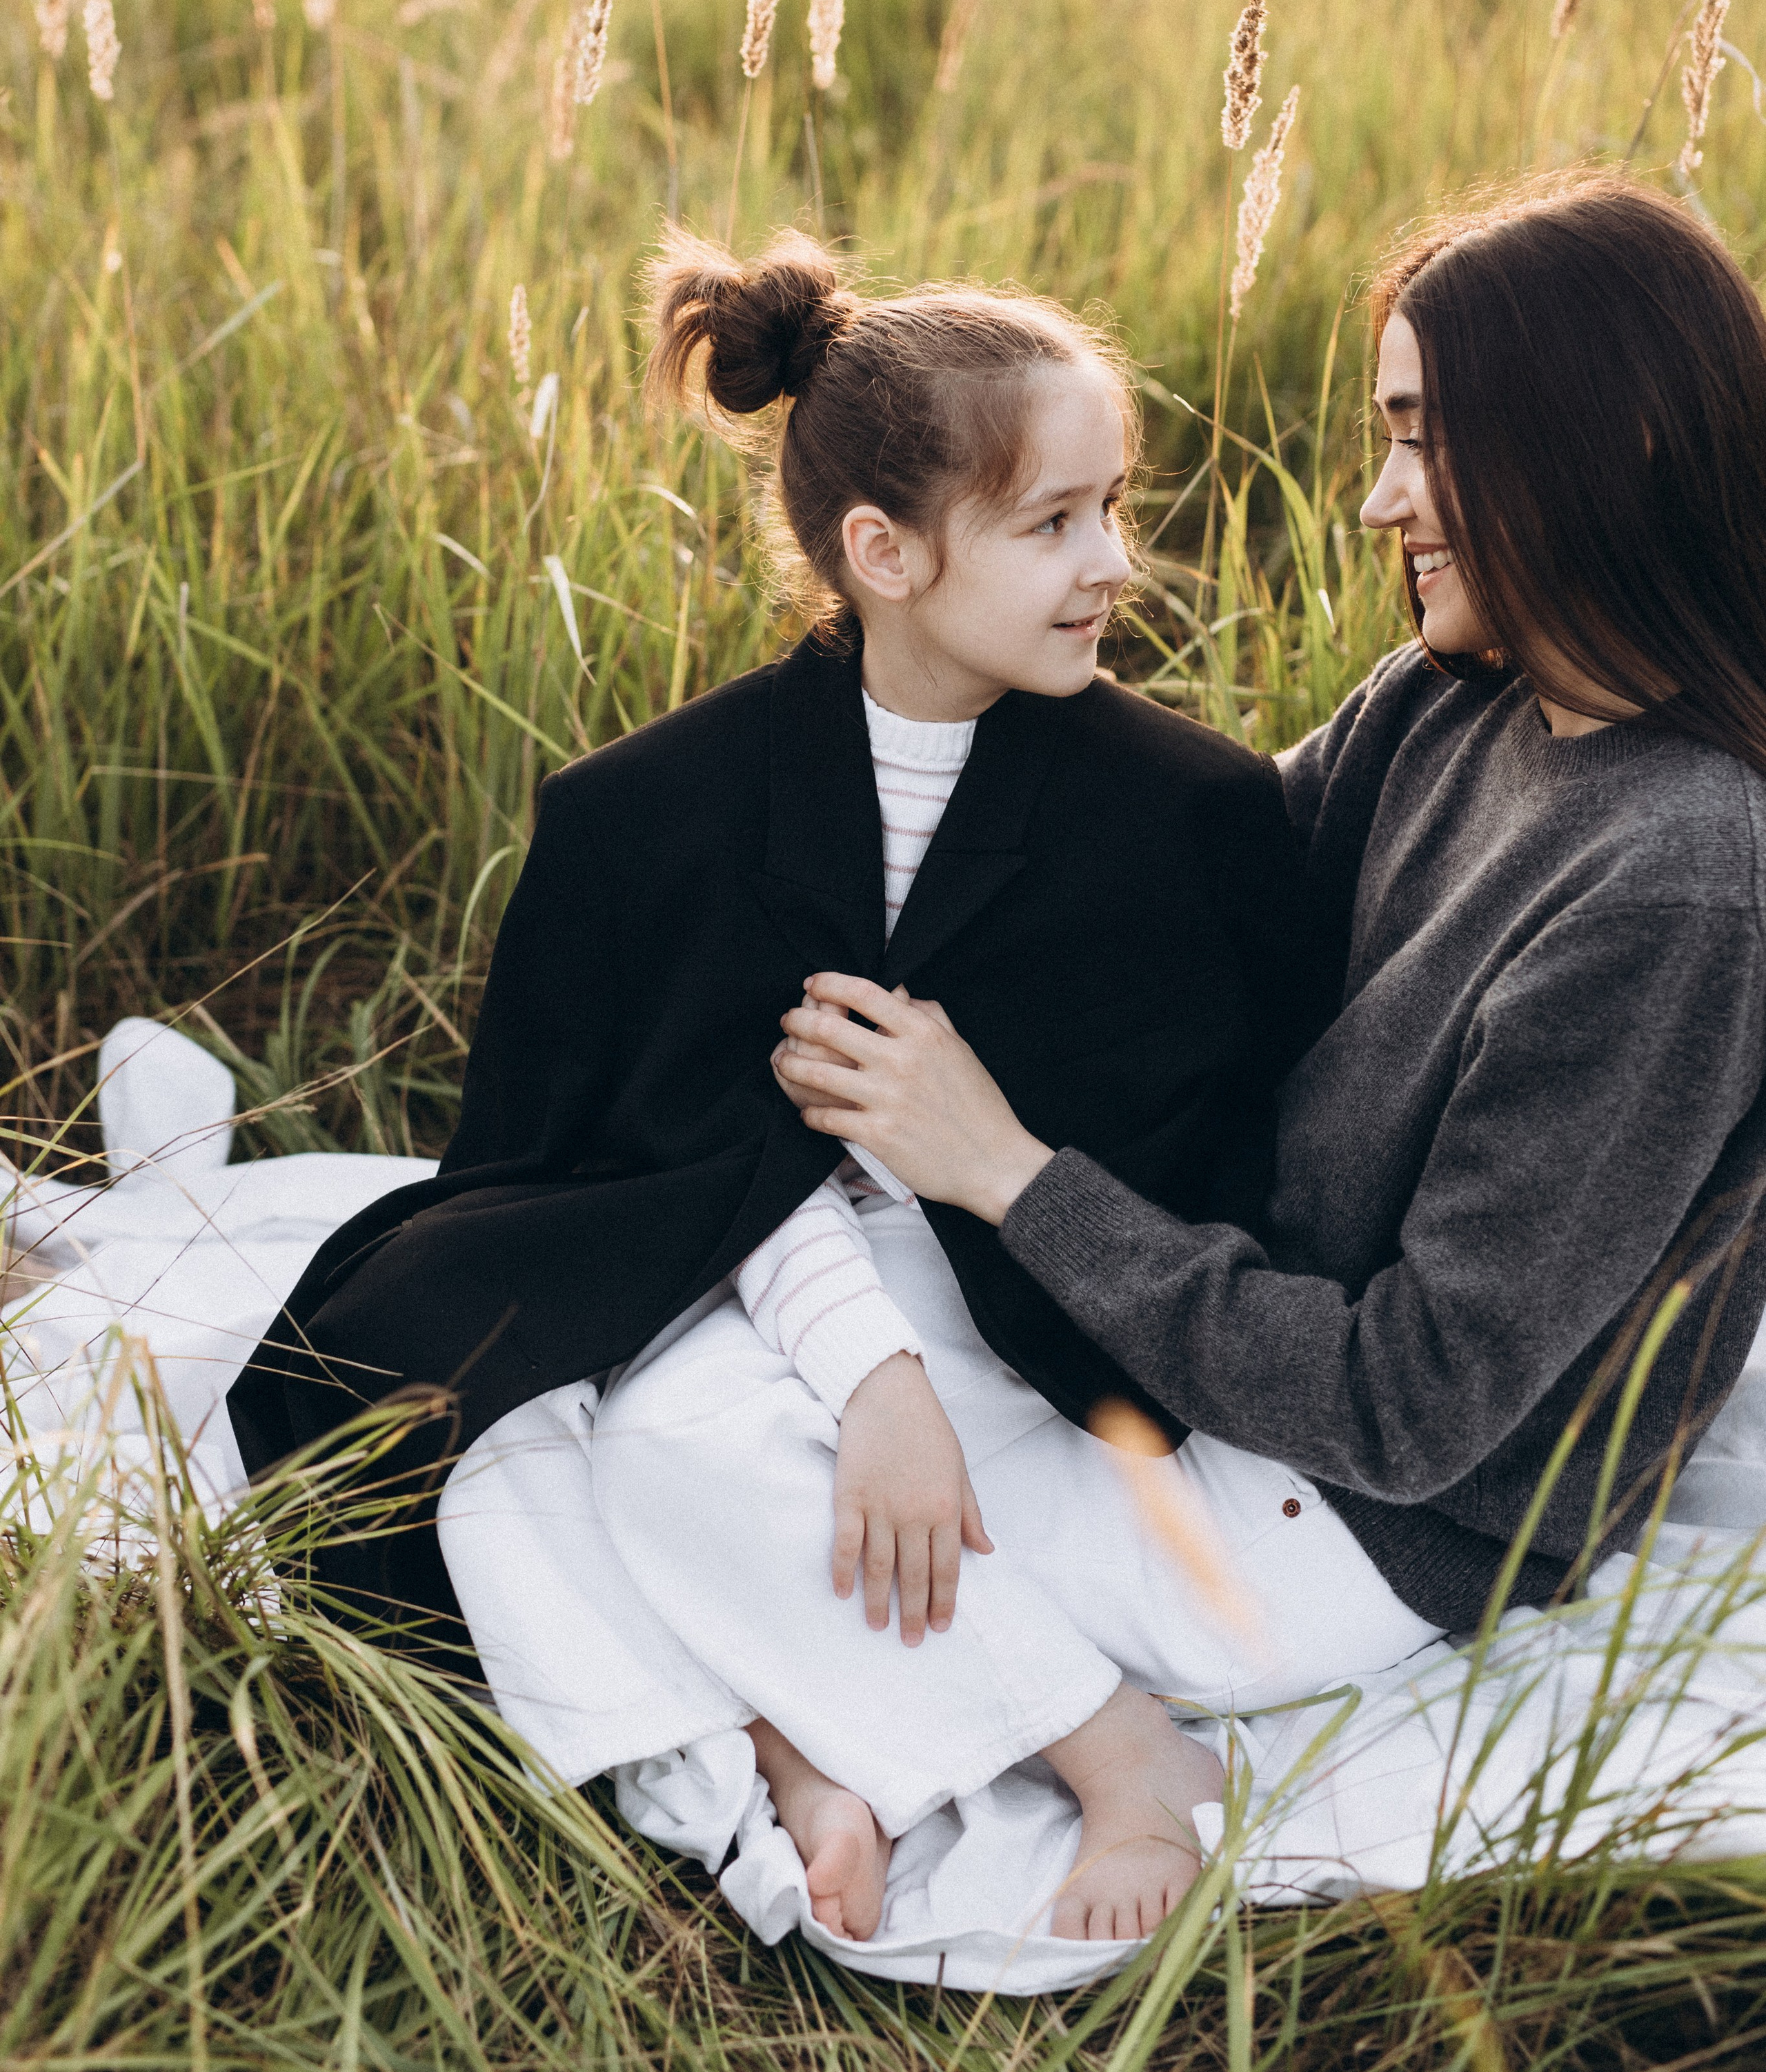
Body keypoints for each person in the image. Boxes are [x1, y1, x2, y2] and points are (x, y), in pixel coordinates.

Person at [229, 228, 1325, 1939]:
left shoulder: (1184, 815)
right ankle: (804, 1753)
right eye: (1052, 524)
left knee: (674, 1452)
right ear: (881, 552)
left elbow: (1211, 1150)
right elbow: (653, 1162)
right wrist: (868, 1372)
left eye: (1116, 507)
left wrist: (934, 1310)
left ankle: (1090, 1762)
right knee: (532, 1425)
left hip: (1025, 1296)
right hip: (754, 1282)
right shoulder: (647, 815)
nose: (1113, 562)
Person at [764, 171, 1766, 1906]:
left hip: (1348, 1524)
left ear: (1598, 444)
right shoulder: (1443, 703)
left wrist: (1006, 1176)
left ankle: (969, 1743)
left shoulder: (1676, 884)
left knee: (664, 1456)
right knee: (695, 1338)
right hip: (1191, 1350)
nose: (1381, 498)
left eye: (1421, 439)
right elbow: (1157, 913)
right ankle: (827, 1741)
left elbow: (1410, 1410)